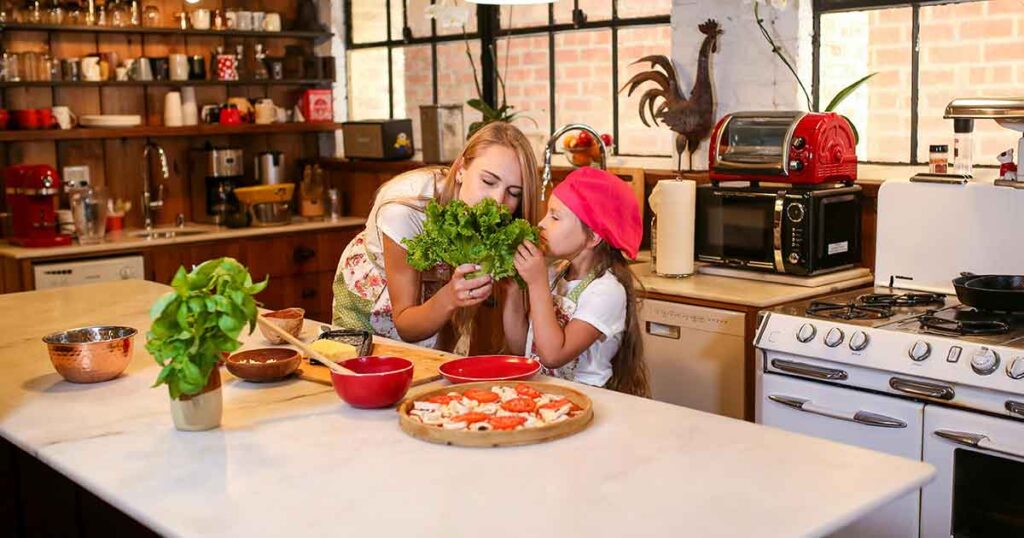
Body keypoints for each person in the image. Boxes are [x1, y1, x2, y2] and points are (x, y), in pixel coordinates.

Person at [332, 122, 540, 351]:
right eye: (488, 181)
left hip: (443, 296)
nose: (498, 201)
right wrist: (450, 296)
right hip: (374, 296)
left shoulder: (501, 224)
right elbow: (406, 325)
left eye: (514, 193)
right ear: (461, 168)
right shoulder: (405, 210)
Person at [502, 167, 649, 397]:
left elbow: (552, 355)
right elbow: (523, 348)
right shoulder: (555, 273)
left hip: (589, 401)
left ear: (592, 237)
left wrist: (536, 282)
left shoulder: (606, 291)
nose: (541, 223)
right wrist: (513, 290)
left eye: (555, 216)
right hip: (546, 396)